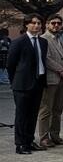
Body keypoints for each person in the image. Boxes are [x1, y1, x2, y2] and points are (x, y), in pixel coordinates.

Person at [7, 14, 48, 154]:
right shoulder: (18, 42)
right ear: (27, 25)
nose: (36, 25)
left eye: (39, 23)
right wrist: (15, 81)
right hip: (22, 85)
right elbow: (10, 64)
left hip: (38, 82)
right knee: (21, 115)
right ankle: (20, 144)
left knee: (33, 114)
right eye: (33, 23)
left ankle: (30, 141)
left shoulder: (43, 42)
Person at [38, 14, 63, 147]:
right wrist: (61, 70)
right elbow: (46, 58)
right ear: (47, 24)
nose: (56, 25)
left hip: (61, 79)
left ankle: (55, 135)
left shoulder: (60, 38)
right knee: (46, 109)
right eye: (53, 23)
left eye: (58, 23)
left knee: (58, 109)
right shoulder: (43, 39)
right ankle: (44, 137)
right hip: (50, 79)